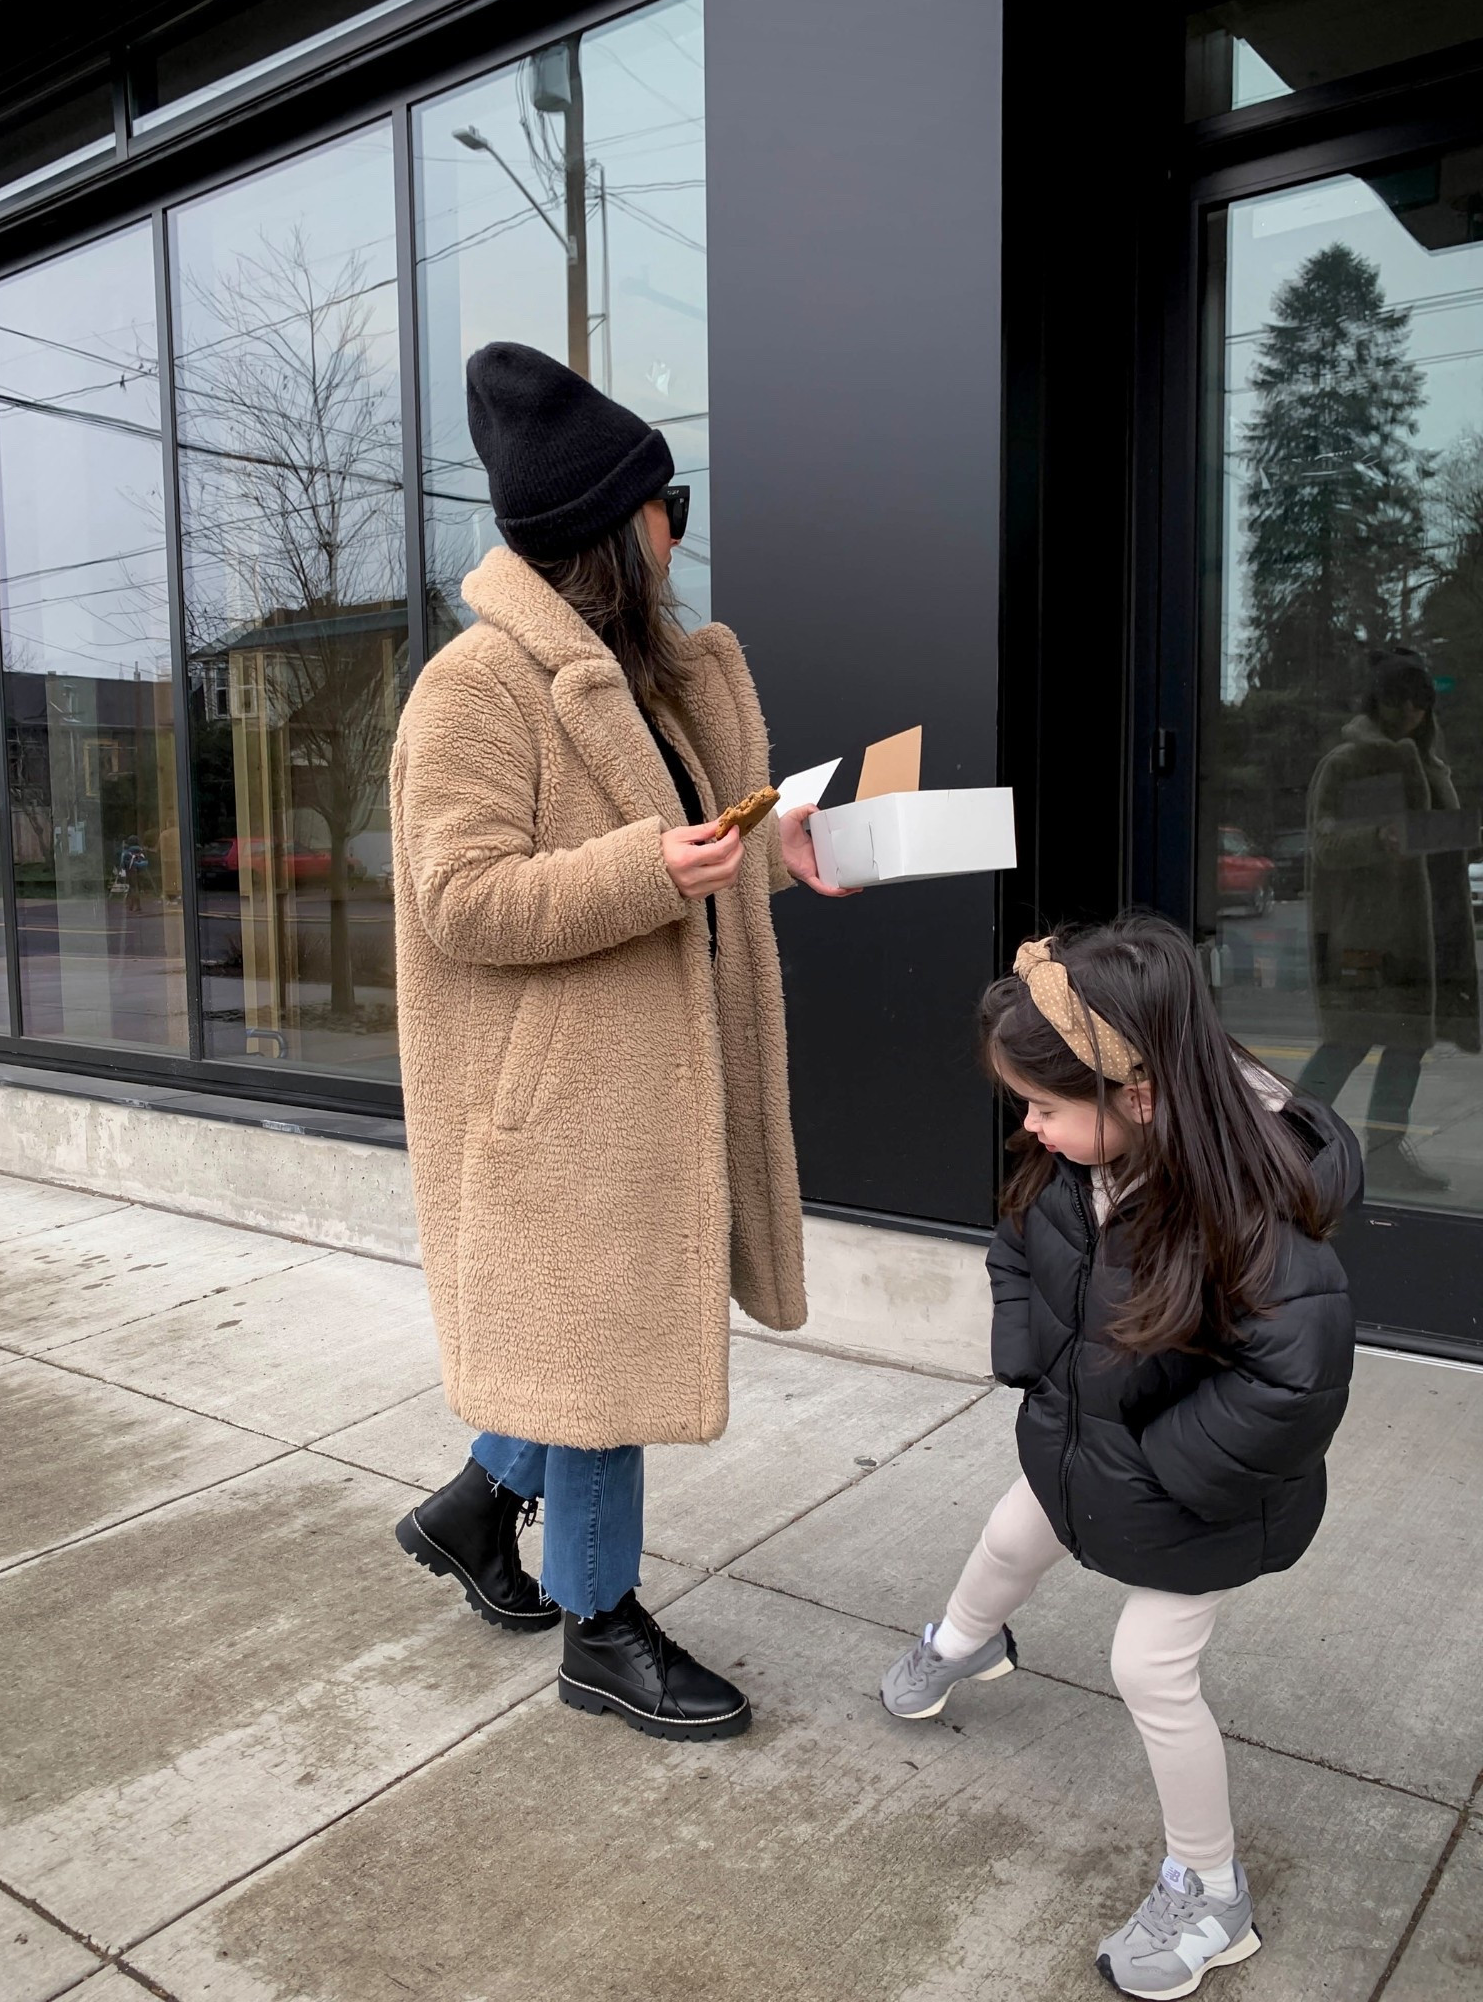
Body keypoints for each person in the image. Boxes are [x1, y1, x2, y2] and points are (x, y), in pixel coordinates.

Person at [389, 342, 850, 1742]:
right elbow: (458, 900)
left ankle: (474, 1512)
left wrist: (788, 854)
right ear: (615, 529)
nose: (681, 533)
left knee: (600, 1341)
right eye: (672, 509)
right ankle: (602, 1627)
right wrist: (655, 869)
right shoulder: (476, 688)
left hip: (648, 1083)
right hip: (561, 1107)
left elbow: (688, 857)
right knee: (603, 1366)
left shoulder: (641, 680)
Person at [880, 915, 1361, 1998]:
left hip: (1199, 1497)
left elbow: (1294, 1382)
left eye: (1046, 1106)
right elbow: (1018, 1249)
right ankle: (961, 1642)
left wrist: (1158, 1468)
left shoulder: (1253, 1209)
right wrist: (1026, 1351)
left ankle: (1210, 1887)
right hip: (1082, 1439)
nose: (1032, 1128)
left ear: (1136, 1095)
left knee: (1148, 1664)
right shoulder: (1083, 1160)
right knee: (1012, 1529)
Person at [1300, 647, 1480, 1193]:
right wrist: (1381, 840)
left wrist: (1459, 833)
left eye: (1421, 703)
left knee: (1408, 1044)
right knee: (1349, 1041)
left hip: (1427, 933)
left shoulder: (1428, 763)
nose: (1412, 713)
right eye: (1401, 701)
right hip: (1368, 933)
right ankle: (1285, 1142)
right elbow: (1324, 842)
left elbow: (1436, 842)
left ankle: (1383, 1150)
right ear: (1379, 702)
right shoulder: (1349, 761)